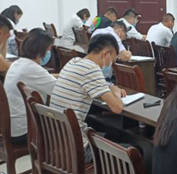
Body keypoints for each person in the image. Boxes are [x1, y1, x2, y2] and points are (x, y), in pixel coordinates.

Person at [50, 34, 126, 162]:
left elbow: (90, 82)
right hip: (78, 150)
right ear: (105, 54)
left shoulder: (73, 62)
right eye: (112, 61)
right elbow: (117, 108)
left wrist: (110, 87)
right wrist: (116, 92)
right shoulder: (92, 69)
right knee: (135, 151)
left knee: (110, 134)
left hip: (58, 142)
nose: (110, 66)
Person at [5, 29, 57, 145]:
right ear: (41, 50)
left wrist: (58, 75)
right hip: (25, 132)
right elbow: (60, 90)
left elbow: (42, 77)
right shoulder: (33, 69)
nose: (49, 53)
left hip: (11, 128)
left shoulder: (18, 63)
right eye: (48, 49)